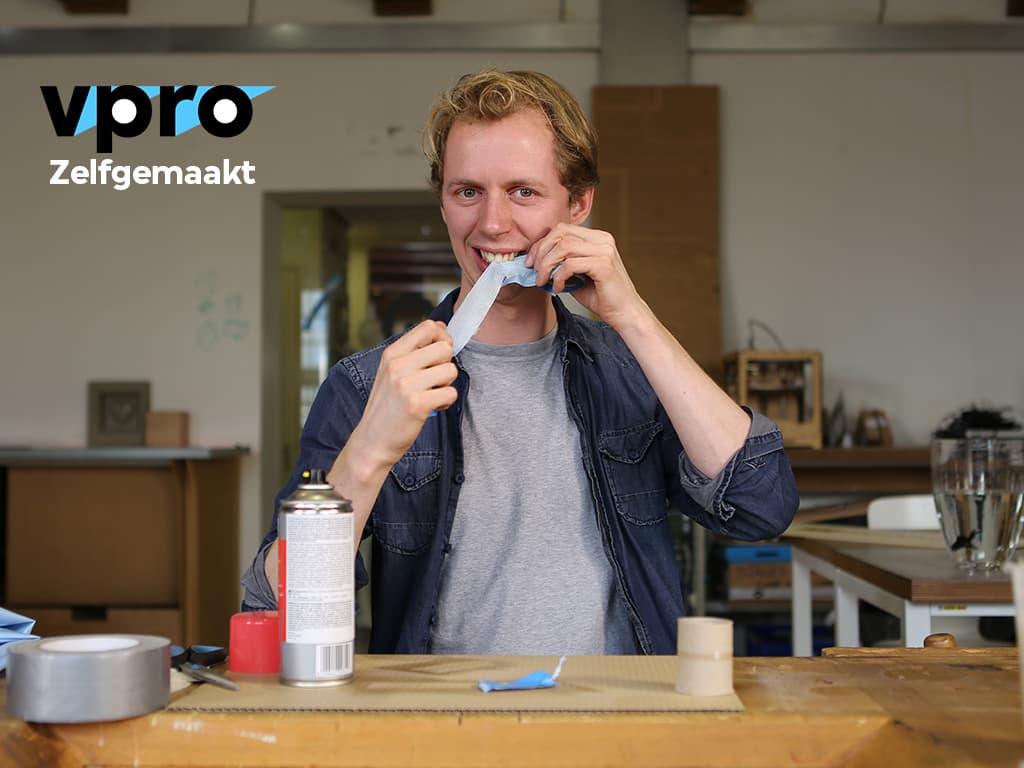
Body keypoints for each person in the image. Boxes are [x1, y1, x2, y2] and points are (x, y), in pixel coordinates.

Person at [243, 69, 799, 655]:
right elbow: (275, 611)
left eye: (523, 192)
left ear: (578, 204)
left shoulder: (631, 369)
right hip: (438, 712)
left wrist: (634, 317)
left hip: (619, 708)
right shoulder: (367, 386)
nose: (492, 223)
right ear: (443, 203)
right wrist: (367, 456)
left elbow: (761, 507)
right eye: (467, 192)